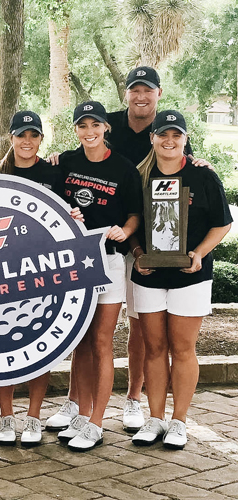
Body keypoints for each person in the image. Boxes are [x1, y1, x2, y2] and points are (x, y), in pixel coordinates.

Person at [47, 66, 210, 434]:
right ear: (126, 94)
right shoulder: (109, 124)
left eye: (147, 90)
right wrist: (56, 159)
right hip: (105, 248)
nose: (141, 96)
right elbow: (81, 157)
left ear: (159, 94)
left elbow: (186, 169)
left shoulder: (169, 132)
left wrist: (201, 165)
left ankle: (134, 399)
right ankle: (77, 401)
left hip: (144, 245)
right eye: (135, 90)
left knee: (140, 326)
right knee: (85, 328)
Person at [130, 110, 232, 449]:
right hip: (148, 275)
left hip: (192, 275)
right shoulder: (140, 176)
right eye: (163, 134)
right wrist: (138, 251)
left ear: (185, 139)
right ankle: (155, 418)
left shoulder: (203, 177)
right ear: (152, 138)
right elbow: (129, 221)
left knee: (183, 349)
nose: (169, 140)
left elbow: (222, 223)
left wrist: (200, 252)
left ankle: (179, 421)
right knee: (154, 348)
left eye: (176, 135)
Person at [0, 111, 82, 446]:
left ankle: (34, 418)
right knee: (5, 344)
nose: (27, 142)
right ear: (10, 138)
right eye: (20, 135)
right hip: (1, 274)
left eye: (33, 135)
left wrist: (74, 215)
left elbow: (68, 215)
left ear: (41, 139)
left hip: (44, 273)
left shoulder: (54, 172)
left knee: (41, 348)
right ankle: (6, 417)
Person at [55, 101, 143, 451]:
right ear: (75, 129)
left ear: (106, 127)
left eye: (95, 126)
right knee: (81, 339)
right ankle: (79, 409)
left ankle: (96, 422)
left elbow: (135, 214)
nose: (89, 132)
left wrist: (125, 229)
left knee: (102, 342)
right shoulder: (65, 163)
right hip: (73, 261)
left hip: (108, 262)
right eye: (82, 126)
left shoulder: (123, 168)